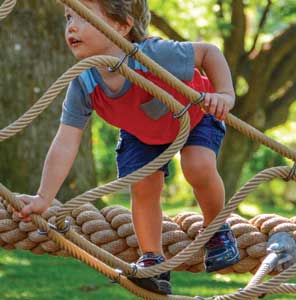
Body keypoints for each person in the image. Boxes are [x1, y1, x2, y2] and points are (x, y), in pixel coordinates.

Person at [15, 0, 240, 295]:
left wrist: (224, 94)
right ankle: (153, 261)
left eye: (81, 16)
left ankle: (217, 231)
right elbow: (66, 140)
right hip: (141, 132)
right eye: (68, 17)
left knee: (198, 166)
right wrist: (45, 196)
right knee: (143, 186)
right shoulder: (83, 82)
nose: (70, 25)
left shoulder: (154, 55)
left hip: (195, 114)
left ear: (122, 25)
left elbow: (209, 52)